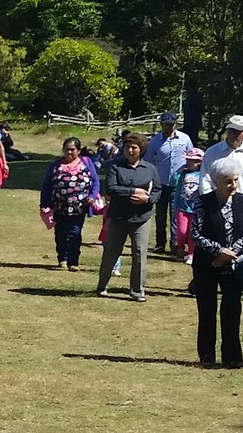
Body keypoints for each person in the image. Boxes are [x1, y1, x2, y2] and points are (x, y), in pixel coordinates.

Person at [96, 132, 161, 301]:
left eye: (134, 147)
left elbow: (157, 190)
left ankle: (137, 291)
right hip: (119, 216)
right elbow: (111, 188)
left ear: (141, 149)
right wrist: (133, 191)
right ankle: (102, 285)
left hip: (142, 217)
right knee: (112, 251)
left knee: (139, 253)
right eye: (127, 147)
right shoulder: (115, 167)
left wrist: (147, 199)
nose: (130, 151)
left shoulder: (150, 168)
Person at [190, 162, 243, 368]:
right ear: (215, 182)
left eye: (236, 180)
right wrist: (218, 251)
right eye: (228, 182)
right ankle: (207, 356)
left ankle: (232, 357)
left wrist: (230, 253)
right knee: (207, 309)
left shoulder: (242, 201)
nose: (233, 185)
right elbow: (196, 234)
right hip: (206, 263)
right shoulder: (202, 203)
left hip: (234, 264)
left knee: (232, 309)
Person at [39, 137, 101, 271]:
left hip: (79, 208)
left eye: (72, 150)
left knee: (75, 233)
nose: (69, 152)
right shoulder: (56, 165)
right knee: (60, 234)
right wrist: (44, 204)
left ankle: (73, 262)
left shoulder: (86, 163)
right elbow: (47, 186)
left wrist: (92, 196)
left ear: (78, 151)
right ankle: (63, 259)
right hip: (59, 207)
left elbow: (96, 182)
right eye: (67, 149)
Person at [145, 113, 193, 252]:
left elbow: (192, 155)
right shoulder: (155, 142)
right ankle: (160, 243)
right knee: (160, 216)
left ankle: (175, 243)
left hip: (178, 185)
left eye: (171, 124)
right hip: (160, 184)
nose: (169, 127)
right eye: (166, 124)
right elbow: (148, 161)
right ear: (161, 125)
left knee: (176, 215)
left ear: (175, 125)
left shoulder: (185, 139)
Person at [173, 148, 206, 260]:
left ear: (199, 162)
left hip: (195, 208)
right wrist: (179, 170)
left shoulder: (202, 174)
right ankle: (180, 248)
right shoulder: (183, 173)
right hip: (182, 207)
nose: (188, 162)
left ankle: (191, 253)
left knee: (192, 232)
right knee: (182, 230)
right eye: (187, 160)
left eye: (191, 160)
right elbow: (174, 182)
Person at [201, 115, 243, 192]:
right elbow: (205, 180)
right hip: (218, 198)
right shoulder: (212, 152)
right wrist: (208, 198)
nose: (233, 135)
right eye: (231, 131)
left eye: (237, 132)